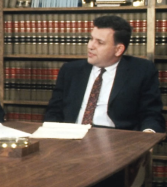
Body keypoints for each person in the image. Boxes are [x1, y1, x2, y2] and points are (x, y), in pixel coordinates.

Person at [44, 15, 165, 187]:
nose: (90, 46)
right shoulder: (70, 70)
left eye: (99, 42)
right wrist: (51, 140)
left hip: (117, 148)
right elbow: (54, 111)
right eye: (91, 39)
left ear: (118, 49)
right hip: (69, 144)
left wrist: (146, 139)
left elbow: (151, 113)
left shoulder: (141, 71)